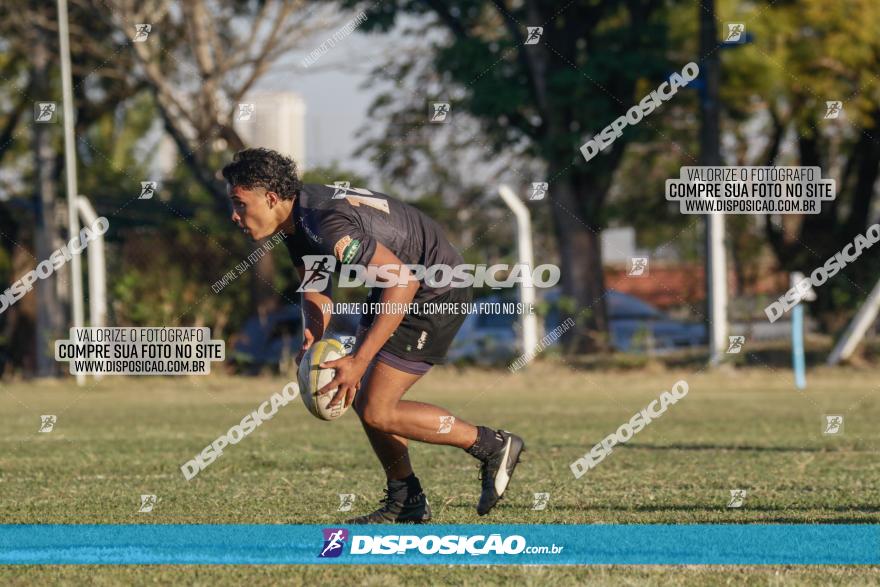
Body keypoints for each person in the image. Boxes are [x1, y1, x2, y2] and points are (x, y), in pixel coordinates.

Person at [221, 148, 525, 523]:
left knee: (378, 408)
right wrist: (311, 340)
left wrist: (358, 360)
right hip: (400, 286)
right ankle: (406, 501)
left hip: (434, 290)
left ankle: (491, 445)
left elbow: (403, 281)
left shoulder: (325, 222)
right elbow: (316, 283)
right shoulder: (297, 219)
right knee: (364, 399)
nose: (234, 215)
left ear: (269, 197)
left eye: (239, 203)